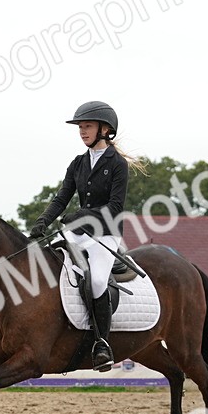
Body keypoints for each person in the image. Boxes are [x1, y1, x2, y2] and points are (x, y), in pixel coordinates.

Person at [30, 101, 140, 371]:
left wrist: (83, 215)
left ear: (105, 129)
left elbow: (115, 207)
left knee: (98, 281)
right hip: (78, 233)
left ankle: (102, 344)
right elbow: (61, 198)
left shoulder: (117, 164)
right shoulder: (78, 163)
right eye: (80, 127)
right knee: (50, 266)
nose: (82, 131)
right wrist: (43, 220)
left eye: (87, 126)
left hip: (105, 235)